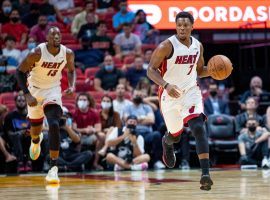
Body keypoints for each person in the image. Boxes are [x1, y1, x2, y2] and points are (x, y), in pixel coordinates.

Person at [147, 11, 214, 190]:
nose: (182, 28)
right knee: (175, 136)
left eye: (186, 25)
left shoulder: (198, 46)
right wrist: (166, 85)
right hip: (169, 95)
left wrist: (214, 71)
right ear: (176, 26)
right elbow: (151, 70)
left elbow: (200, 70)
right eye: (179, 25)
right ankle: (167, 142)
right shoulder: (166, 46)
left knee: (198, 127)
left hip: (191, 92)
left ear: (192, 26)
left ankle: (205, 174)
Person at [16, 27, 76, 183]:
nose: (56, 36)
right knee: (35, 130)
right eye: (53, 34)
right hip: (35, 90)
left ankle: (53, 168)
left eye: (58, 34)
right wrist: (27, 95)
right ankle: (36, 140)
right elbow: (19, 72)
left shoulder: (67, 53)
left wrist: (71, 84)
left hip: (53, 90)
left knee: (54, 123)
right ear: (47, 38)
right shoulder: (37, 52)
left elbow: (71, 70)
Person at [3, 92, 31, 173]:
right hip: (15, 138)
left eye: (23, 100)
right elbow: (9, 133)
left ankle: (29, 162)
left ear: (26, 102)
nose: (21, 102)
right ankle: (20, 162)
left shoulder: (30, 115)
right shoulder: (10, 116)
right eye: (19, 101)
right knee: (16, 135)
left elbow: (35, 129)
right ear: (15, 102)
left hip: (28, 136)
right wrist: (20, 132)